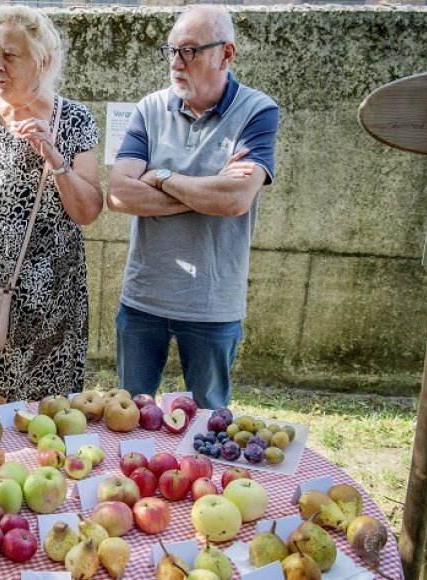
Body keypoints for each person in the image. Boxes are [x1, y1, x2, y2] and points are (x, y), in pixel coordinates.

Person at [107, 6, 279, 410]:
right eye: (170, 50)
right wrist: (207, 193)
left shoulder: (257, 111)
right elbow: (118, 195)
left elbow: (235, 199)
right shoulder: (150, 108)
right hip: (143, 298)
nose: (175, 63)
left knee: (210, 418)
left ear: (226, 54)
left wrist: (162, 176)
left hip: (213, 304)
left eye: (189, 51)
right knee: (129, 417)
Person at [0, 5, 103, 407]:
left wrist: (56, 159)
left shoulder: (74, 119)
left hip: (55, 291)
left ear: (43, 61)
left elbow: (88, 210)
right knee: (5, 413)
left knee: (54, 410)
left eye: (10, 56)